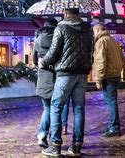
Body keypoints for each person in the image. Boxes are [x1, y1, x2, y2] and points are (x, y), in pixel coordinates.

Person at [38, 8, 93, 157]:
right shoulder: (88, 29)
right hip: (82, 74)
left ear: (67, 14)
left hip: (65, 74)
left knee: (56, 107)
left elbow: (54, 51)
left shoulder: (61, 27)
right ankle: (76, 146)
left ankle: (55, 146)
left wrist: (43, 62)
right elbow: (90, 51)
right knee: (79, 109)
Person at [92, 23, 125, 137]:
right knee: (113, 101)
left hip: (108, 76)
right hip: (115, 74)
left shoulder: (101, 41)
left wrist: (98, 79)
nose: (93, 34)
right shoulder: (113, 40)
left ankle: (114, 128)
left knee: (111, 102)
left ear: (97, 30)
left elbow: (101, 61)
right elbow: (122, 58)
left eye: (94, 32)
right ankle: (113, 126)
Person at [33, 18, 58, 149]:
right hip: (56, 78)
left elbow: (34, 60)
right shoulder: (58, 39)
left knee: (47, 109)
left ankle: (42, 136)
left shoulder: (37, 40)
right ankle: (54, 138)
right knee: (56, 110)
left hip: (43, 78)